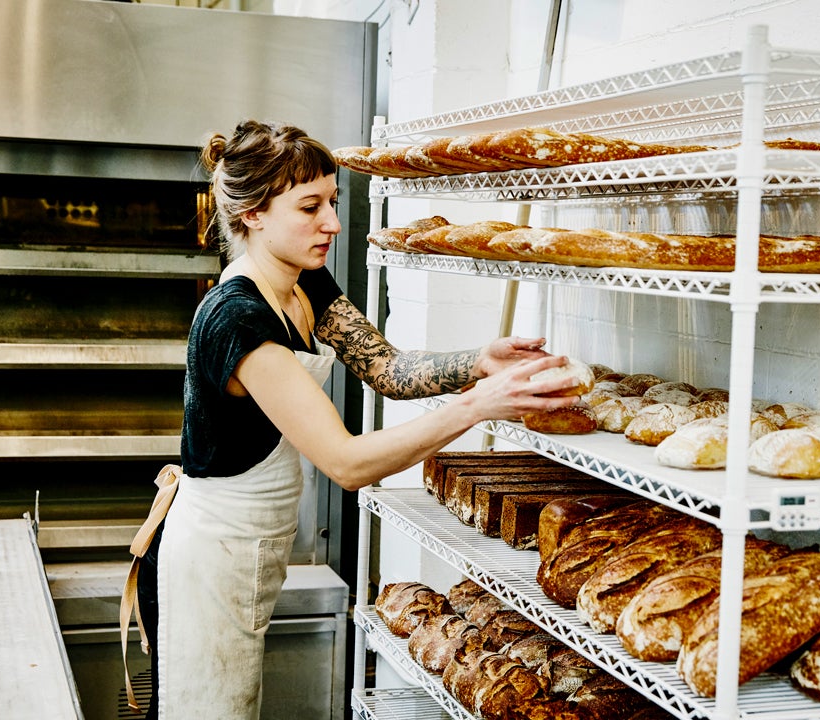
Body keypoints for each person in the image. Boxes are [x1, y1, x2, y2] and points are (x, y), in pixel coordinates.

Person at [133, 119, 582, 719]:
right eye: (310, 206)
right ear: (253, 215)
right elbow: (345, 463)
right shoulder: (238, 318)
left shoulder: (303, 283)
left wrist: (478, 363)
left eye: (334, 202)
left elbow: (387, 367)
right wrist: (478, 405)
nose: (333, 224)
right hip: (208, 557)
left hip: (253, 546)